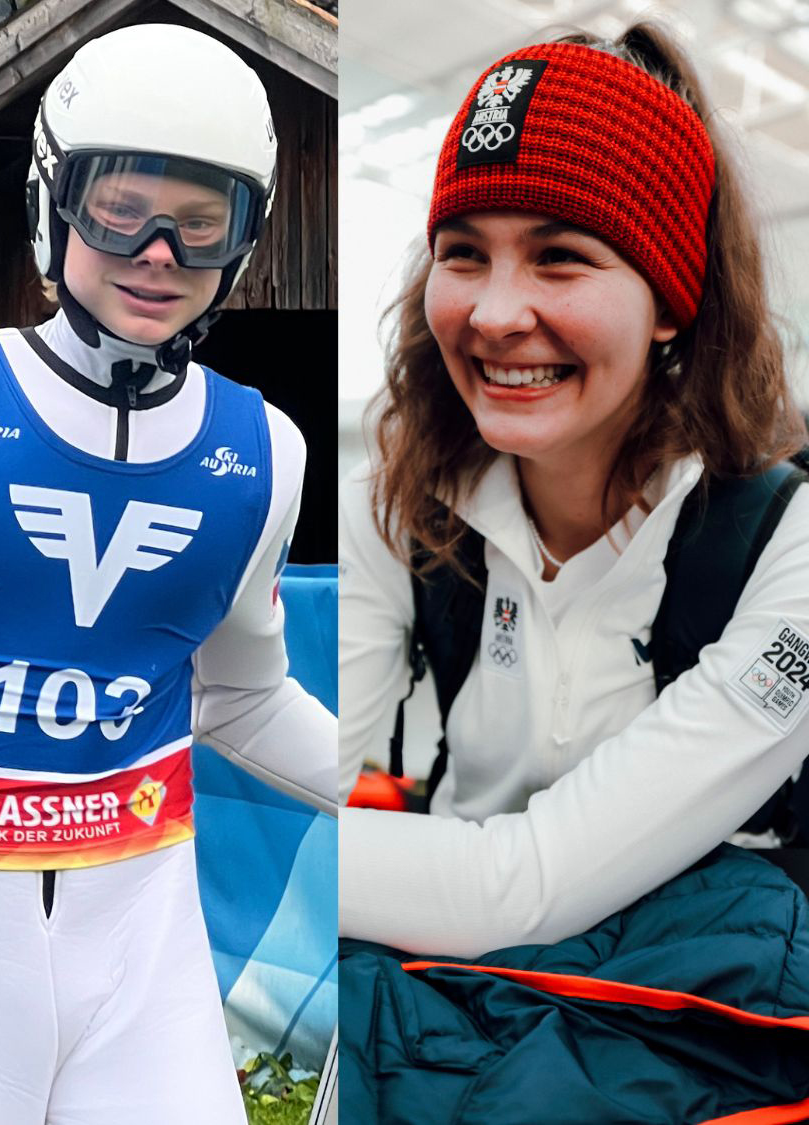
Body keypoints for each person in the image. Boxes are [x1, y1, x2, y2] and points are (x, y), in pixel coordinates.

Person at [0, 23, 337, 1124]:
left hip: (142, 924)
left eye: (201, 226)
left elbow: (239, 696)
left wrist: (409, 804)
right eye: (119, 210)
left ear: (245, 241)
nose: (156, 255)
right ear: (54, 204)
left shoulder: (264, 450)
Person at [337, 24, 809, 1118]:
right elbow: (295, 776)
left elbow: (532, 882)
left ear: (667, 301)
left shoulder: (780, 542)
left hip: (683, 1002)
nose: (494, 313)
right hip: (443, 982)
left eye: (559, 255)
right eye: (462, 251)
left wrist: (258, 846)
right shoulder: (402, 504)